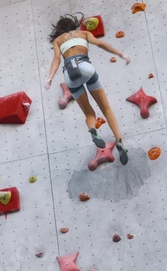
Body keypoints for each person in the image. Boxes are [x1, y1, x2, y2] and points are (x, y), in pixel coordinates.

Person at [45, 15, 130, 165]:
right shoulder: (83, 33)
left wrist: (50, 78)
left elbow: (57, 59)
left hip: (69, 74)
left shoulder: (58, 40)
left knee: (89, 113)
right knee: (106, 108)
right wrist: (120, 54)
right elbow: (100, 43)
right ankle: (119, 141)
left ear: (59, 30)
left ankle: (93, 129)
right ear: (74, 25)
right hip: (85, 67)